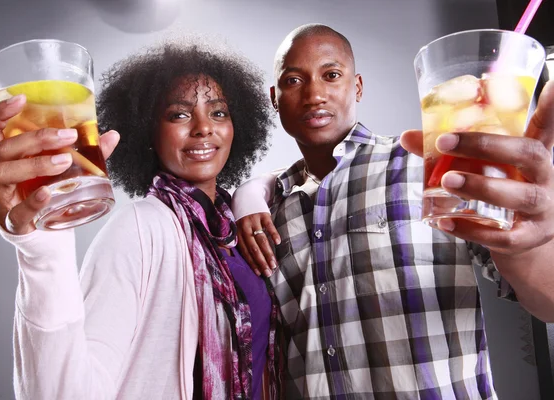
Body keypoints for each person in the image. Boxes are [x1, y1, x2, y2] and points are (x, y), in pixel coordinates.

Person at [232, 23, 554, 399]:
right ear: (274, 97)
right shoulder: (268, 209)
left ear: (357, 86)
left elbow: (547, 301)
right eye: (293, 80)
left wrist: (533, 243)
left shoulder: (430, 169)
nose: (314, 94)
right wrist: (248, 192)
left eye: (331, 75)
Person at [0, 40, 281, 400]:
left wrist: (250, 193)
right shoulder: (141, 228)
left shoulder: (236, 227)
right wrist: (40, 251)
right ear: (147, 133)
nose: (203, 128)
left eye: (218, 113)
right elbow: (64, 393)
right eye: (179, 114)